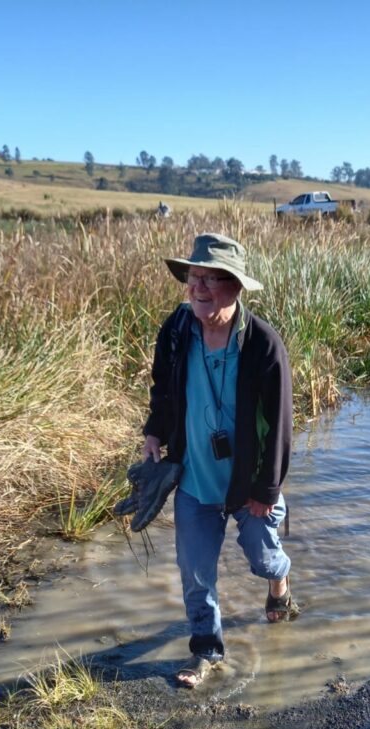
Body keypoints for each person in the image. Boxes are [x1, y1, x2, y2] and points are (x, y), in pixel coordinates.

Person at [141, 233, 297, 688]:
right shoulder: (177, 330)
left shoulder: (263, 344)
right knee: (195, 573)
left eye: (212, 279)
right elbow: (163, 387)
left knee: (263, 560)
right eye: (194, 277)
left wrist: (266, 489)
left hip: (249, 484)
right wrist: (154, 431)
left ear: (237, 287)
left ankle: (280, 583)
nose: (199, 288)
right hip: (195, 479)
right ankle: (205, 650)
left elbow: (281, 423)